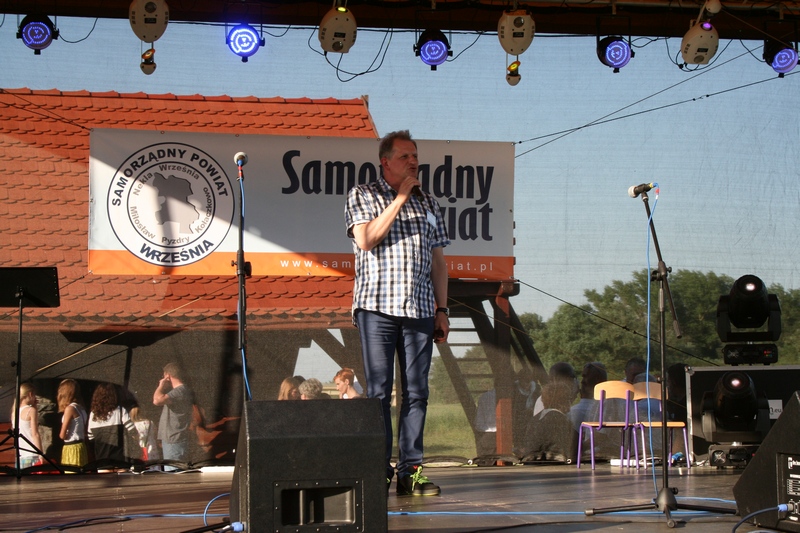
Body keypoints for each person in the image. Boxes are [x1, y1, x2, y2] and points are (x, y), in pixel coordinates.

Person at [345, 130, 450, 497]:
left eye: (415, 156)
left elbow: (438, 262)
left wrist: (442, 309)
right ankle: (378, 469)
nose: (413, 162)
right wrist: (401, 197)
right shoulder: (363, 194)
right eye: (405, 156)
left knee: (417, 392)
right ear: (385, 161)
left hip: (419, 309)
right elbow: (366, 239)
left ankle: (411, 472)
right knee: (378, 392)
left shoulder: (429, 203)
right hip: (377, 307)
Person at [88, 382, 140, 467]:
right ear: (114, 396)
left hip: (102, 460)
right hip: (120, 460)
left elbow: (90, 437)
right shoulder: (120, 411)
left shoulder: (93, 414)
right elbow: (132, 431)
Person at [153, 362, 194, 467]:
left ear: (168, 376)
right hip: (173, 439)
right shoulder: (180, 391)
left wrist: (161, 386)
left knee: (173, 472)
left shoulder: (180, 391)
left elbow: (157, 400)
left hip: (174, 440)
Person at [57, 378, 89, 469]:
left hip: (71, 447)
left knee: (71, 472)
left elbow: (62, 435)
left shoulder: (70, 409)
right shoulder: (81, 408)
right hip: (81, 446)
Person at [568, 362, 608, 431]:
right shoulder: (609, 411)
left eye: (585, 376)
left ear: (597, 379)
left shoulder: (573, 413)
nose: (582, 381)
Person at [12, 382, 43, 470]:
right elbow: (35, 434)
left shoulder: (14, 412)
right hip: (32, 452)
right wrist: (41, 454)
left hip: (21, 454)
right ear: (30, 394)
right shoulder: (31, 410)